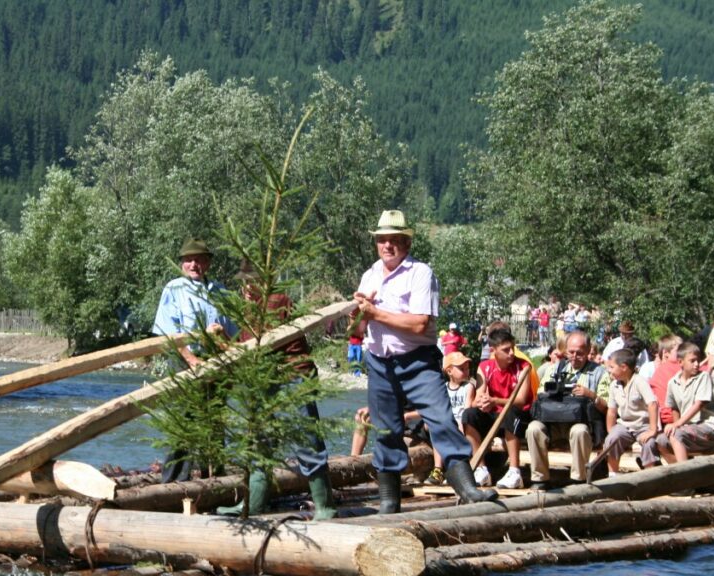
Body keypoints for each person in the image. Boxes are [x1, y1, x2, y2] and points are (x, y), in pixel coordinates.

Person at [350, 209, 496, 513]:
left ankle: (469, 491)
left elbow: (419, 324)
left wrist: (375, 313)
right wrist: (358, 318)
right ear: (376, 242)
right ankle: (389, 503)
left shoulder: (421, 273)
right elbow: (359, 331)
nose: (387, 245)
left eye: (394, 240)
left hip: (418, 362)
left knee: (442, 421)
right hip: (379, 362)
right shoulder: (370, 275)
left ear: (406, 242)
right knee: (387, 431)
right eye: (382, 240)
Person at [215, 260, 337, 519]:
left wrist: (224, 344)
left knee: (307, 442)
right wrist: (226, 340)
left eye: (253, 281)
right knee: (261, 445)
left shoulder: (274, 300)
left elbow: (259, 348)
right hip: (265, 380)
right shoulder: (250, 306)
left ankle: (325, 507)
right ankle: (254, 504)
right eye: (244, 281)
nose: (247, 286)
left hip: (290, 377)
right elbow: (248, 345)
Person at [152, 238, 236, 483]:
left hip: (216, 362)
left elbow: (231, 332)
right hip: (183, 361)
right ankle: (176, 483)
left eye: (199, 260)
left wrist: (226, 351)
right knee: (184, 422)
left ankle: (215, 479)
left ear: (208, 263)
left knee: (215, 422)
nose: (193, 264)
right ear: (182, 263)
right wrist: (191, 359)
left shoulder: (220, 291)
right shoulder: (174, 289)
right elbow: (169, 332)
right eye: (188, 260)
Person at [526, 330, 610, 489]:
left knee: (580, 431)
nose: (575, 356)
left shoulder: (599, 373)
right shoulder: (555, 369)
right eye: (571, 352)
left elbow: (606, 406)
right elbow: (540, 395)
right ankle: (540, 479)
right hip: (553, 422)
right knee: (533, 429)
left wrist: (590, 394)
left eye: (580, 353)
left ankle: (578, 480)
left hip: (581, 424)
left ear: (588, 351)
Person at [460, 328, 533, 489]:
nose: (512, 353)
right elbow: (479, 397)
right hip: (494, 415)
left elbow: (520, 400)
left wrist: (494, 401)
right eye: (506, 350)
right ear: (493, 351)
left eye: (512, 348)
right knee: (469, 415)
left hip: (518, 416)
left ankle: (515, 471)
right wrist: (483, 403)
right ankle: (481, 468)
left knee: (510, 411)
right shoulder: (485, 367)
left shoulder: (524, 367)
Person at [655, 342, 714, 463]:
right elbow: (674, 408)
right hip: (688, 427)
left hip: (709, 426)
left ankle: (685, 474)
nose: (697, 364)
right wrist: (677, 423)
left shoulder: (703, 377)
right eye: (692, 361)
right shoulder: (673, 382)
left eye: (698, 360)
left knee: (676, 435)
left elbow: (699, 404)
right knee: (661, 440)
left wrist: (677, 425)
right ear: (680, 362)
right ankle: (676, 471)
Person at [601, 349, 659, 474]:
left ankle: (651, 476)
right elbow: (611, 411)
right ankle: (613, 476)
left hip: (643, 425)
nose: (609, 370)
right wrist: (611, 431)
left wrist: (652, 429)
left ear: (623, 367)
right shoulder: (614, 385)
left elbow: (652, 404)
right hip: (625, 425)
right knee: (612, 440)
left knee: (649, 443)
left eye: (612, 367)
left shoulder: (639, 381)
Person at [424, 351, 476, 485]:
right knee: (435, 426)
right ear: (449, 371)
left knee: (454, 425)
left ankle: (456, 470)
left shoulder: (468, 387)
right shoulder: (443, 389)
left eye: (467, 368)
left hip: (461, 423)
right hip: (447, 423)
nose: (465, 371)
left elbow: (467, 409)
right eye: (461, 369)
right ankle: (438, 469)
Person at [649, 334, 683, 425]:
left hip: (662, 417)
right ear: (666, 353)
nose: (683, 352)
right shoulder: (678, 368)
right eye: (679, 350)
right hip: (675, 416)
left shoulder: (658, 371)